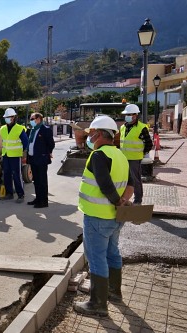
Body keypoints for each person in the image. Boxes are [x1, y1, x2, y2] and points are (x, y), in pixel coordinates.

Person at [73, 115, 134, 317]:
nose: (89, 137)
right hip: (116, 218)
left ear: (99, 134)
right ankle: (114, 293)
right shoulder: (121, 156)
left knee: (96, 257)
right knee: (112, 253)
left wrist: (117, 202)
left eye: (91, 134)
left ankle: (98, 303)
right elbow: (132, 184)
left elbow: (104, 183)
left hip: (97, 217)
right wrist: (123, 203)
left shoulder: (99, 156)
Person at [119, 104, 153, 204]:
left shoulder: (142, 128)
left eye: (129, 114)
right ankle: (124, 199)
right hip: (123, 158)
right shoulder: (122, 127)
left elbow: (149, 144)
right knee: (124, 179)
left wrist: (141, 154)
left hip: (134, 159)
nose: (127, 116)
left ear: (135, 115)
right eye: (126, 114)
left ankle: (138, 200)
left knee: (135, 180)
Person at [0, 108, 29, 203]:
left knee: (17, 175)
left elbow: (26, 142)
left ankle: (21, 195)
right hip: (6, 155)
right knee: (6, 174)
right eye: (6, 117)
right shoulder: (2, 128)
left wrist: (22, 153)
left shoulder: (19, 129)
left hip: (15, 156)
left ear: (13, 117)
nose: (7, 119)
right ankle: (9, 193)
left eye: (9, 117)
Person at [26, 112, 55, 208]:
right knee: (36, 181)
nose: (31, 121)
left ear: (39, 119)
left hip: (41, 159)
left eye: (32, 118)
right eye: (30, 119)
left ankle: (43, 201)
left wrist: (47, 152)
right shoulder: (32, 130)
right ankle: (38, 198)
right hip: (33, 158)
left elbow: (51, 144)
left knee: (42, 181)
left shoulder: (45, 130)